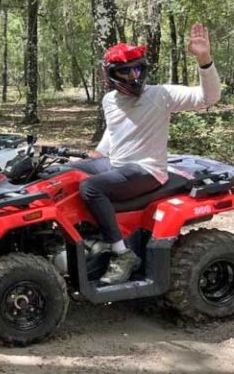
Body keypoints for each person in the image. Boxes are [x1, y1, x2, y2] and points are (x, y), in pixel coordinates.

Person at [76, 22, 220, 285]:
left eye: (137, 68)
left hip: (147, 170)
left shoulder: (160, 95)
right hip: (116, 164)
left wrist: (204, 60)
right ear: (111, 75)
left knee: (90, 188)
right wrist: (97, 153)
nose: (133, 76)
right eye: (125, 71)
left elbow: (207, 98)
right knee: (64, 175)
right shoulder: (110, 100)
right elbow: (115, 129)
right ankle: (83, 240)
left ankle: (122, 254)